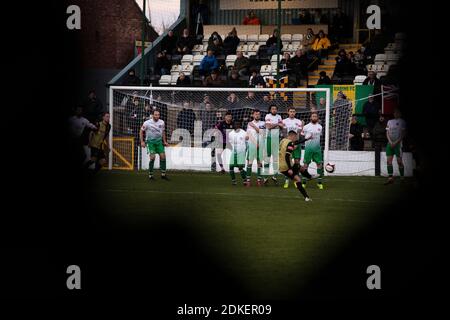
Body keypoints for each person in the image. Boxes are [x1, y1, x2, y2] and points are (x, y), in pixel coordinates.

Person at [279, 130, 311, 201]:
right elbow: (287, 156)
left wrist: (306, 139)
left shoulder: (283, 140)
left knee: (298, 175)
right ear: (292, 136)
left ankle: (307, 197)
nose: (296, 138)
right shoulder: (290, 143)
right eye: (295, 137)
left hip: (281, 165)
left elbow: (295, 143)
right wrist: (290, 168)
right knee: (298, 169)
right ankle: (309, 177)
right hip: (286, 166)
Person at [140, 109, 169, 180]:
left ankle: (163, 174)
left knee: (163, 156)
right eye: (156, 115)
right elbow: (141, 131)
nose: (157, 116)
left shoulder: (162, 122)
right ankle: (150, 174)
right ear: (153, 115)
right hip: (150, 142)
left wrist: (164, 141)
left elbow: (163, 132)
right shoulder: (147, 123)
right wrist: (142, 142)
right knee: (152, 157)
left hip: (159, 142)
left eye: (158, 115)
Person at [282, 107, 304, 188]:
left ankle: (296, 180)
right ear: (288, 112)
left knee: (297, 162)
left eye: (293, 112)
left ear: (295, 113)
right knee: (288, 162)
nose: (292, 113)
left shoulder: (298, 122)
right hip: (288, 144)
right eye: (290, 111)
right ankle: (287, 180)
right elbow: (284, 133)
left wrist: (296, 144)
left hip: (296, 145)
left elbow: (299, 134)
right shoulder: (284, 121)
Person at [302, 112, 324, 189]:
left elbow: (319, 137)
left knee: (319, 165)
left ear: (317, 118)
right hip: (308, 149)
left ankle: (319, 183)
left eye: (315, 116)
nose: (314, 117)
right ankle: (304, 182)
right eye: (313, 116)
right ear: (310, 118)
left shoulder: (320, 127)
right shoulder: (306, 127)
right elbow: (302, 136)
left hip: (317, 149)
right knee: (305, 165)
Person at [264, 104, 285, 184]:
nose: (274, 110)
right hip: (269, 139)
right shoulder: (267, 116)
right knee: (267, 159)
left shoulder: (279, 116)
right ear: (270, 110)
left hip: (277, 139)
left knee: (276, 159)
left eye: (275, 109)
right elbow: (268, 127)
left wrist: (277, 125)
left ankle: (274, 176)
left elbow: (282, 126)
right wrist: (277, 124)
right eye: (272, 109)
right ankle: (265, 177)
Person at [385, 109, 406, 185]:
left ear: (400, 113)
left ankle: (402, 178)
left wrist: (396, 142)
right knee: (388, 161)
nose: (395, 113)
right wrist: (390, 142)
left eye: (397, 112)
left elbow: (403, 134)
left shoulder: (402, 122)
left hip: (398, 144)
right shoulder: (390, 121)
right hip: (390, 143)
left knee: (399, 162)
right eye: (394, 112)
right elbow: (387, 132)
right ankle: (390, 178)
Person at [246, 109, 266, 186]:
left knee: (259, 163)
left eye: (258, 114)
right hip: (251, 145)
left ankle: (259, 180)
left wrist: (254, 126)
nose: (257, 115)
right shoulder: (249, 124)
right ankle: (248, 181)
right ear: (253, 115)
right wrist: (247, 137)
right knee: (249, 163)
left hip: (260, 145)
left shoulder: (262, 123)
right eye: (256, 114)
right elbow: (248, 134)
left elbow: (261, 133)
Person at [228, 121, 248, 186]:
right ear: (233, 125)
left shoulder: (244, 133)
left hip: (241, 152)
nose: (237, 125)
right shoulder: (230, 134)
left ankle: (245, 180)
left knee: (240, 167)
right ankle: (234, 181)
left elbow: (247, 142)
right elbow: (230, 142)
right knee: (231, 167)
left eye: (238, 124)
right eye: (236, 124)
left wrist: (245, 150)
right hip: (234, 152)